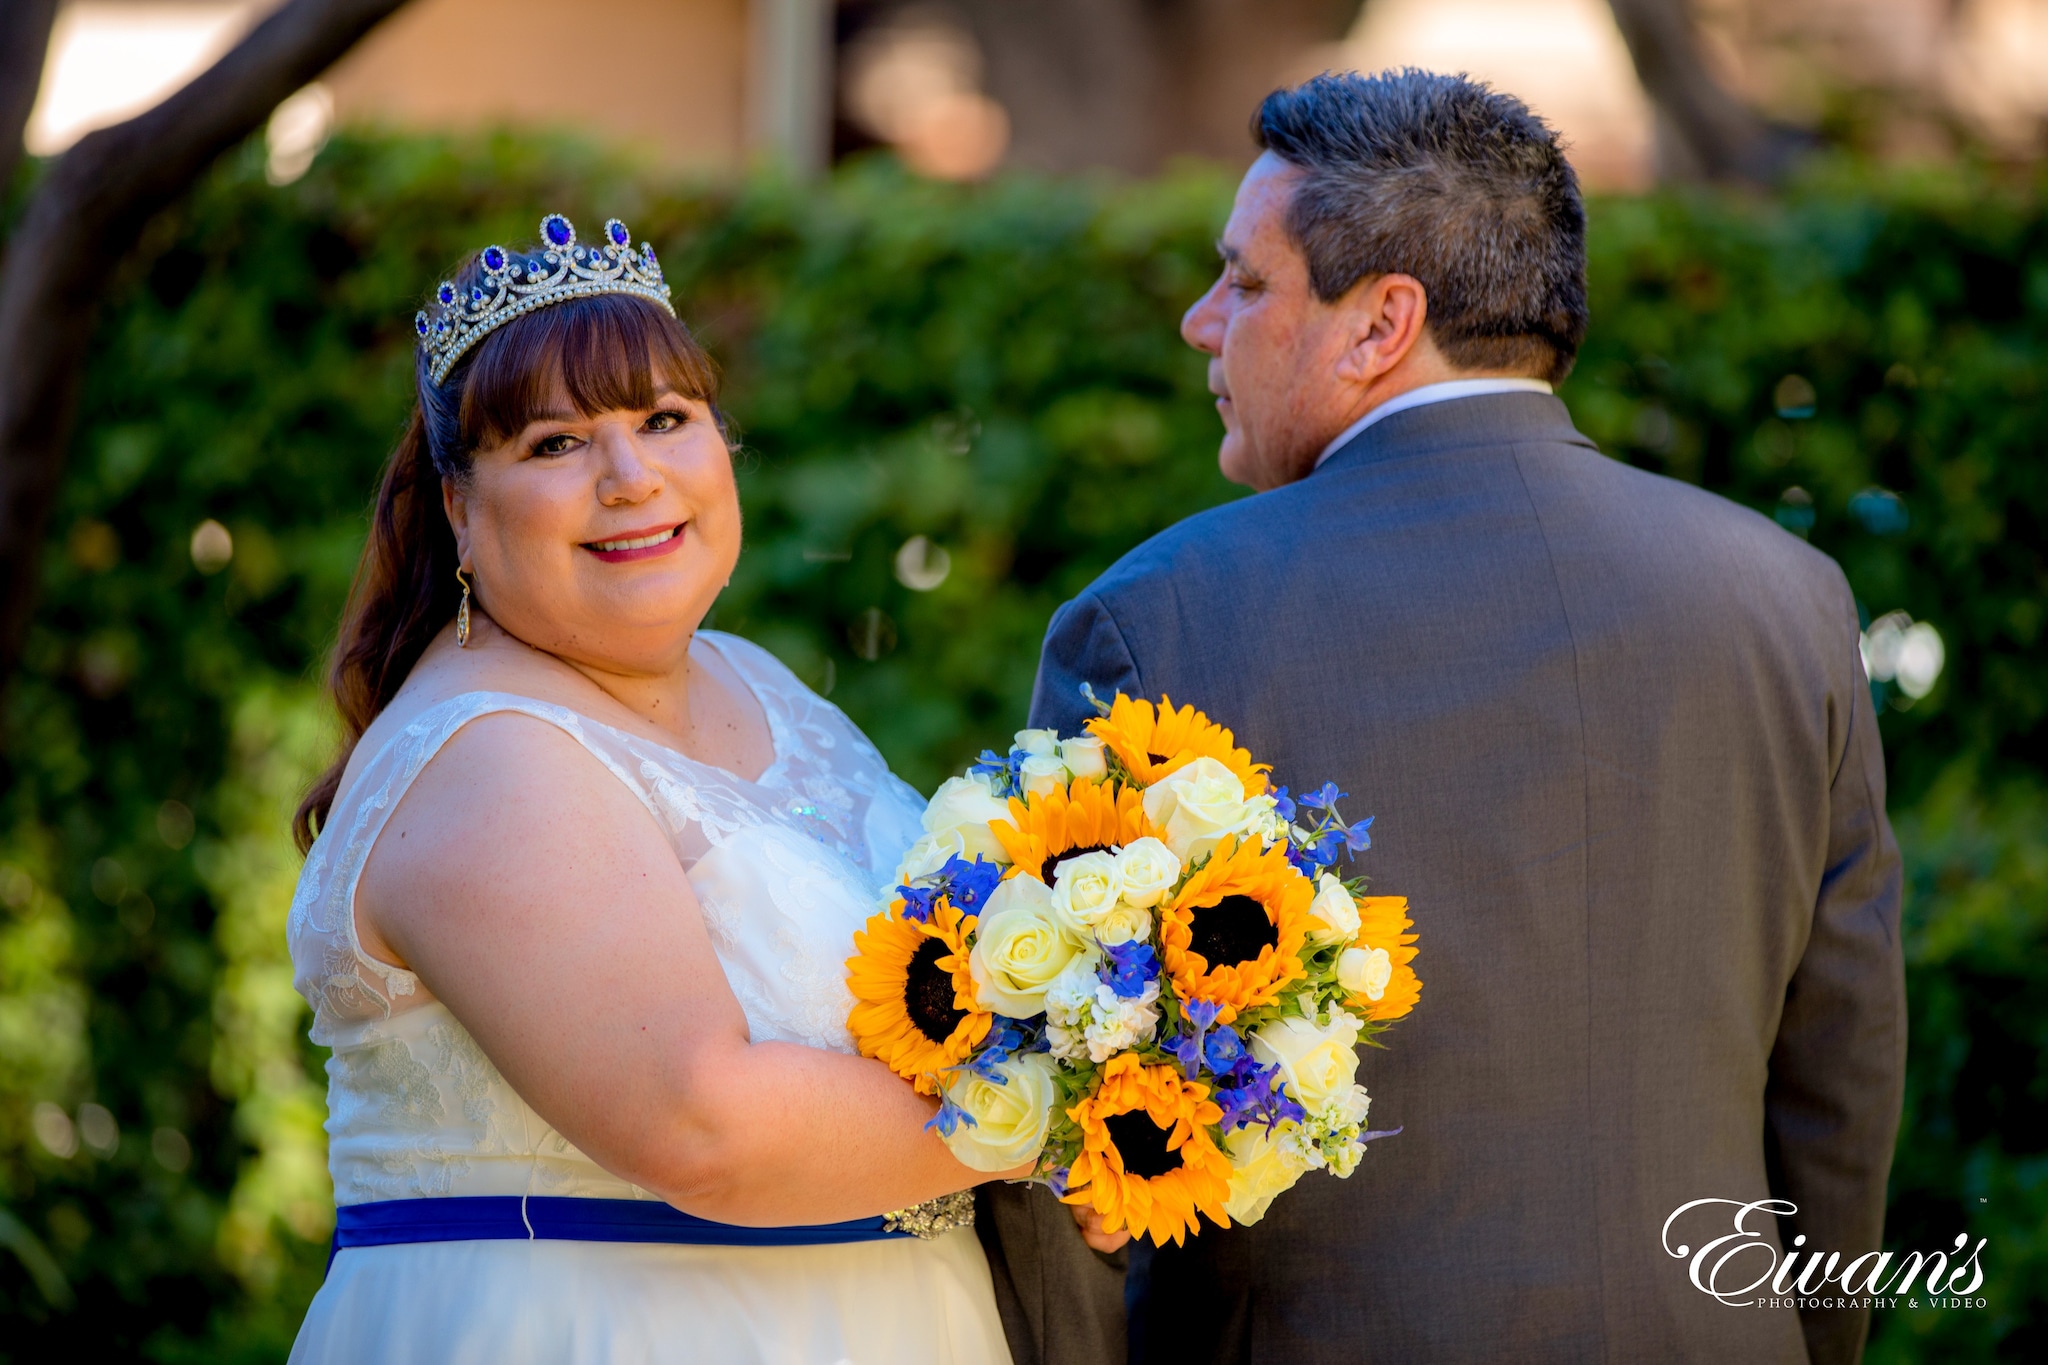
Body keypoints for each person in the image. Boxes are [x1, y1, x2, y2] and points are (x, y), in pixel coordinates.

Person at [1014, 72, 1905, 1364]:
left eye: (1246, 284)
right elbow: (1842, 1073)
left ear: (1382, 323)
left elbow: (1072, 1119)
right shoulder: (1789, 598)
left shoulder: (1155, 623)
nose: (1206, 324)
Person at [285, 214, 1027, 1363]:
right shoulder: (489, 755)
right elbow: (702, 1125)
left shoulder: (759, 683)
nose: (631, 479)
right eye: (553, 444)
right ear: (457, 509)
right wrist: (1082, 1111)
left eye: (664, 421)